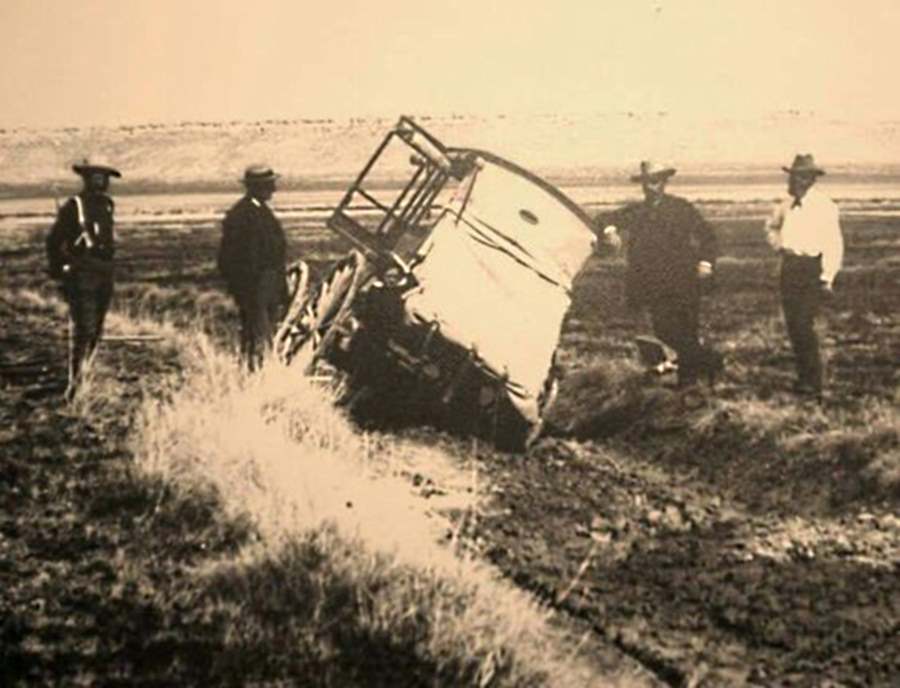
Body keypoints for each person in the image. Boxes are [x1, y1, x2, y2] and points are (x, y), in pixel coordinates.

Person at [600, 160, 722, 387]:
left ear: (664, 182)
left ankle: (689, 383)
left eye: (655, 181)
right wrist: (610, 232)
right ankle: (709, 361)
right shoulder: (637, 212)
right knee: (664, 330)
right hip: (653, 285)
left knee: (686, 330)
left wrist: (706, 263)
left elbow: (708, 236)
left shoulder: (681, 208)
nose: (650, 186)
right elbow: (604, 219)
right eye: (646, 182)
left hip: (684, 281)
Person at [764, 154, 843, 399]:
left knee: (805, 325)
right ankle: (804, 378)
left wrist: (827, 277)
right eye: (794, 176)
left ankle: (814, 382)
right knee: (793, 325)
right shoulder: (784, 204)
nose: (796, 180)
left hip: (812, 269)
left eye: (802, 176)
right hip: (790, 268)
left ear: (811, 179)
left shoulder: (824, 206)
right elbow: (770, 227)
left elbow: (834, 244)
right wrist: (779, 246)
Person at [45, 159, 121, 402]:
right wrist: (61, 272)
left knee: (97, 328)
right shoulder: (73, 206)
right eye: (95, 175)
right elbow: (53, 242)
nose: (100, 180)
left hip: (104, 271)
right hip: (82, 274)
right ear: (86, 179)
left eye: (104, 176)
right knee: (84, 329)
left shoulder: (108, 205)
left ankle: (87, 376)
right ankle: (76, 386)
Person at [217, 165, 289, 371]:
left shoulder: (258, 210)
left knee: (259, 332)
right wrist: (246, 287)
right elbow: (230, 257)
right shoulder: (242, 215)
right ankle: (258, 373)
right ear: (258, 187)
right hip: (255, 287)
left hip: (266, 286)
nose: (274, 189)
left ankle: (255, 369)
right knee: (259, 333)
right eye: (270, 185)